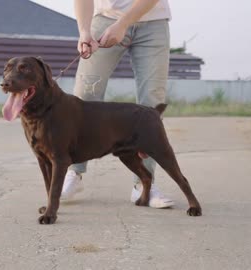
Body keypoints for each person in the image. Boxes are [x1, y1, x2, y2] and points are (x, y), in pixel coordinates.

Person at [61, 0, 175, 208]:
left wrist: (123, 24)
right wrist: (84, 30)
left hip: (153, 23)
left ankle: (143, 185)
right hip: (105, 19)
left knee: (152, 103)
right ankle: (74, 172)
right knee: (85, 96)